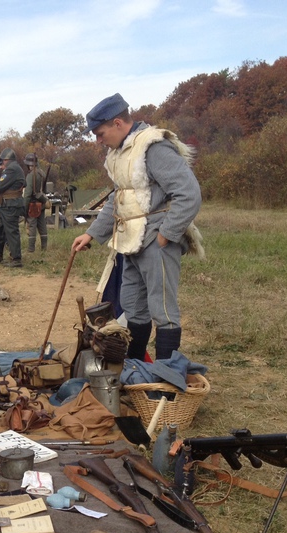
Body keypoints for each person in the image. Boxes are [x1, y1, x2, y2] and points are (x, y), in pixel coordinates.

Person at [71, 93, 202, 361]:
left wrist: (166, 235)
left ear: (118, 123)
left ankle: (166, 378)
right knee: (133, 307)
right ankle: (135, 368)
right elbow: (120, 197)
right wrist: (91, 233)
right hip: (130, 241)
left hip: (156, 239)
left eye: (100, 132)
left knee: (162, 310)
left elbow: (188, 193)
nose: (98, 140)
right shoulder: (121, 152)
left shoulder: (152, 147)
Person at [23, 153, 48, 252]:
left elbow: (28, 193)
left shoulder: (31, 175)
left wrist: (24, 208)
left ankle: (31, 249)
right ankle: (44, 248)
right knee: (42, 225)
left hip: (32, 205)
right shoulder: (42, 173)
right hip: (41, 203)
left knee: (32, 226)